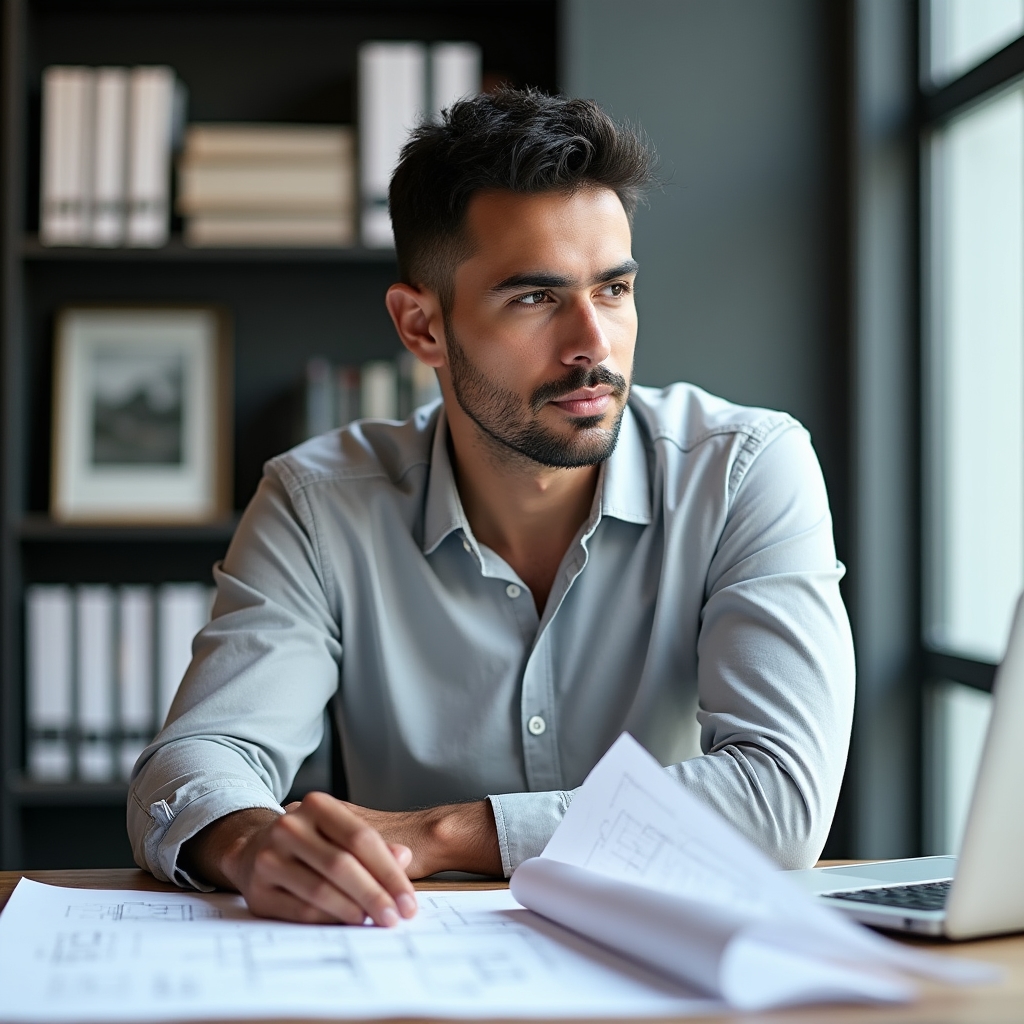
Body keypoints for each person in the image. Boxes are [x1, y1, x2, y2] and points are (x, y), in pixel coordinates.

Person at [128, 88, 854, 930]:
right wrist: (251, 841)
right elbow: (196, 759)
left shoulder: (743, 469)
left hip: (673, 971)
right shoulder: (317, 503)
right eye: (535, 298)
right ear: (422, 327)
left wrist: (444, 833)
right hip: (404, 975)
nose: (593, 343)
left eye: (613, 289)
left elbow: (781, 799)